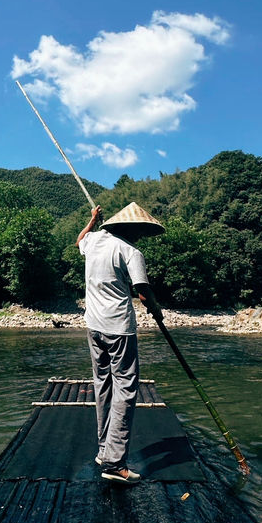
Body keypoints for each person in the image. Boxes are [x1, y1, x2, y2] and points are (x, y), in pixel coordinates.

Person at [76, 201, 165, 485]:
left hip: (93, 326)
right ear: (131, 227)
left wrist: (91, 220)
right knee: (126, 390)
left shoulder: (94, 240)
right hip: (119, 328)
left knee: (103, 385)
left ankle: (104, 451)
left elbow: (79, 240)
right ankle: (115, 464)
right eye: (139, 230)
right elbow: (142, 292)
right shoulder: (130, 251)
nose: (141, 236)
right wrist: (157, 308)